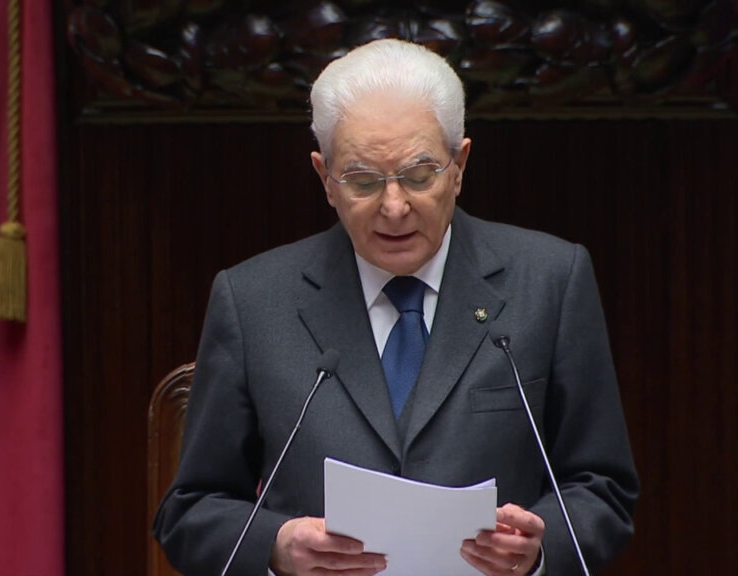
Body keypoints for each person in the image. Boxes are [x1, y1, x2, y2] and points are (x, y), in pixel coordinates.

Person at [153, 38, 638, 576]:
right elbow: (190, 511)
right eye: (363, 180)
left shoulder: (550, 280)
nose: (394, 206)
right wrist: (277, 546)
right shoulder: (253, 300)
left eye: (419, 175)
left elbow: (603, 488)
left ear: (459, 164)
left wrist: (538, 552)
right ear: (325, 178)